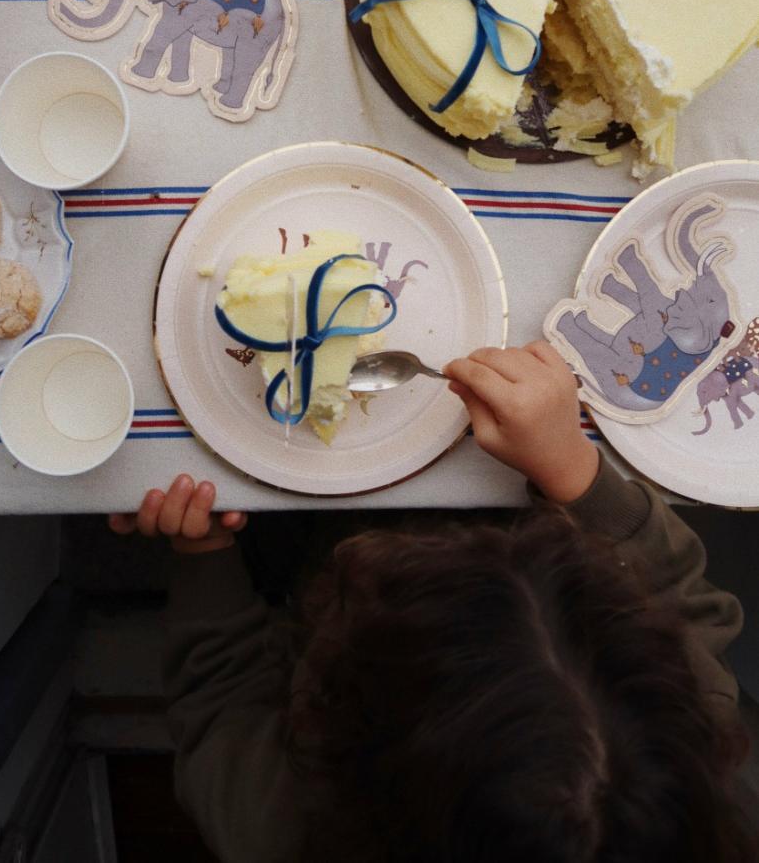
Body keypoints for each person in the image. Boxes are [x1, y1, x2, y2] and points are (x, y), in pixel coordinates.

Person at [109, 342, 756, 863]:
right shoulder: (704, 771)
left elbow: (221, 698)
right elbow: (689, 609)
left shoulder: (269, 826)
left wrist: (202, 554)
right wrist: (576, 476)